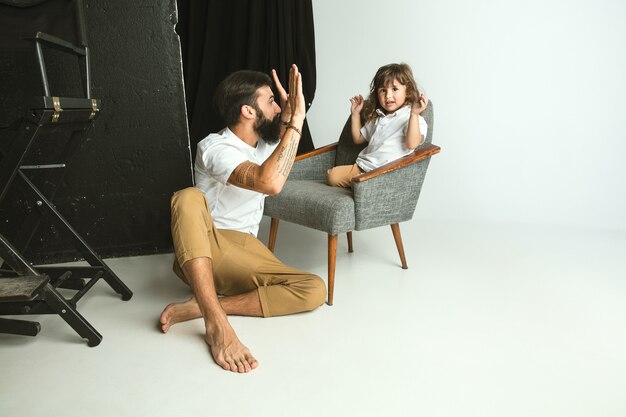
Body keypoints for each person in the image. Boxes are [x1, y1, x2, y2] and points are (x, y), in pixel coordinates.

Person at [159, 65, 326, 373]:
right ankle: (217, 324)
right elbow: (270, 182)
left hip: (246, 251)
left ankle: (203, 306)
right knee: (187, 198)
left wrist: (290, 116)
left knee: (314, 288)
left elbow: (282, 147)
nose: (277, 107)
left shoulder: (265, 144)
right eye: (270, 101)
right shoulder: (215, 147)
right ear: (249, 111)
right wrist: (296, 121)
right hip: (208, 247)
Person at [326, 63, 430, 187]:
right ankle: (362, 185)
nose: (388, 96)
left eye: (395, 89)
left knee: (355, 181)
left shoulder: (411, 117)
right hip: (363, 167)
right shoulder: (378, 117)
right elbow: (358, 139)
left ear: (407, 91)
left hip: (384, 172)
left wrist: (414, 114)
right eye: (383, 90)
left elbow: (412, 144)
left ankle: (366, 186)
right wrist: (355, 114)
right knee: (331, 176)